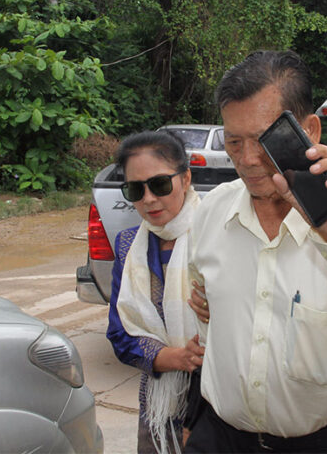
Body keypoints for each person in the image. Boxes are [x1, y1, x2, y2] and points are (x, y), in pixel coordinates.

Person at [184, 50, 327, 453]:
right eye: (234, 141)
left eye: (262, 139)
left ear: (308, 130)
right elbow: (205, 299)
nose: (247, 159)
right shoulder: (212, 212)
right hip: (219, 438)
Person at [106, 131, 205, 454]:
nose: (148, 199)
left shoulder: (216, 235)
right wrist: (173, 357)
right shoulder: (127, 246)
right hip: (157, 412)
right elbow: (120, 332)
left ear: (185, 178)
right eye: (135, 189)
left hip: (217, 409)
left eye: (160, 184)